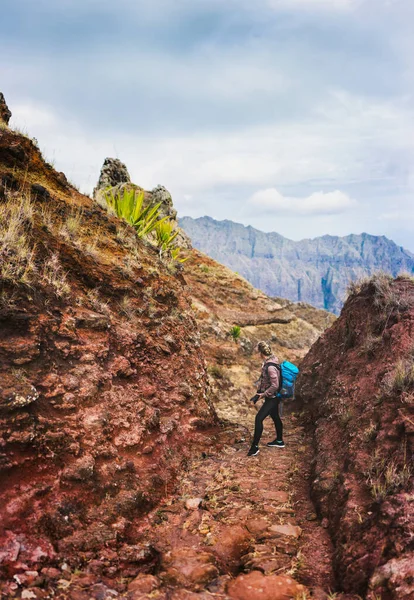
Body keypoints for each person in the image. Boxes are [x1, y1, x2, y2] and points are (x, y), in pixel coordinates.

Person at [247, 341, 285, 457]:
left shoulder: (270, 367)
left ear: (261, 352)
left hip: (272, 398)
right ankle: (279, 441)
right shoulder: (271, 361)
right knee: (275, 417)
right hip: (273, 397)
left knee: (258, 418)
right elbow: (265, 382)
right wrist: (258, 394)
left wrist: (263, 395)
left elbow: (275, 385)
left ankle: (254, 447)